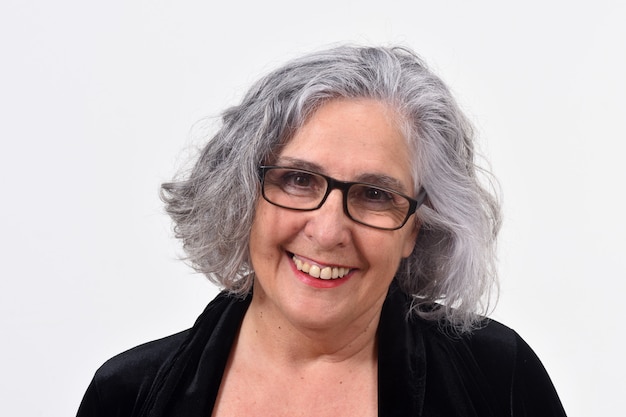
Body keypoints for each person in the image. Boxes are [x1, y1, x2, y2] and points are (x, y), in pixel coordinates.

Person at [77, 45, 567, 417]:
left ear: (417, 228)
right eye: (298, 179)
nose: (329, 230)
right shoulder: (126, 395)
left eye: (375, 194)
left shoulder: (497, 377)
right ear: (243, 196)